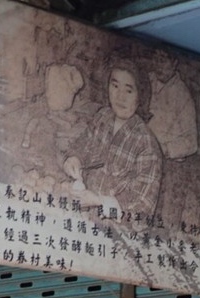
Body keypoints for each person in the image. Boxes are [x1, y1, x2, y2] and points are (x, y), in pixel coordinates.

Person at [61, 53, 163, 221]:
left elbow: (143, 207)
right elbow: (81, 145)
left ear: (141, 96)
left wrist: (98, 201)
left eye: (129, 90)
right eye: (115, 86)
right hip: (82, 216)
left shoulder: (146, 144)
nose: (120, 97)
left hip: (115, 230)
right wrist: (74, 159)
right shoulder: (103, 117)